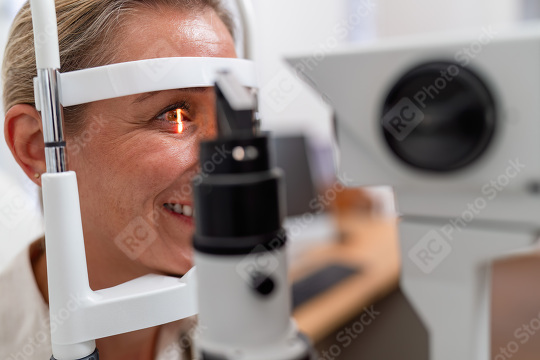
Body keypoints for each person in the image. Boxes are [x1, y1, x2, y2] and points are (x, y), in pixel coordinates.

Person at [0, 0, 238, 359]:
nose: (227, 160)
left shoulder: (243, 320)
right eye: (174, 115)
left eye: (233, 114)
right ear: (38, 147)